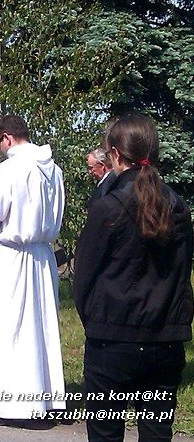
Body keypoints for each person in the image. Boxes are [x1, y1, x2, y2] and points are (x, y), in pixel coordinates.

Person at [74, 114, 193, 441]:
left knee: (105, 433)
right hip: (163, 339)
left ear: (114, 153)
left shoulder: (108, 206)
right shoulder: (177, 204)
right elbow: (182, 272)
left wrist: (96, 324)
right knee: (156, 432)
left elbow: (82, 277)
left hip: (112, 341)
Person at [0, 114, 65, 427]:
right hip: (42, 254)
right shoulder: (52, 168)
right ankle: (48, 398)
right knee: (41, 326)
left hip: (13, 255)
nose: (0, 148)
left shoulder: (11, 167)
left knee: (12, 329)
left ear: (7, 137)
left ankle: (14, 407)